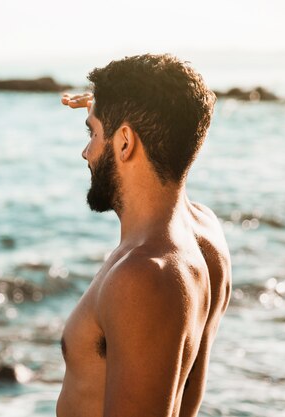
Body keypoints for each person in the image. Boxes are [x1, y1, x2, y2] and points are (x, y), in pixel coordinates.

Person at [56, 54, 231, 417]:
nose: (86, 152)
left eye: (93, 132)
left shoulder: (142, 277)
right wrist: (108, 107)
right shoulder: (204, 233)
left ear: (124, 143)